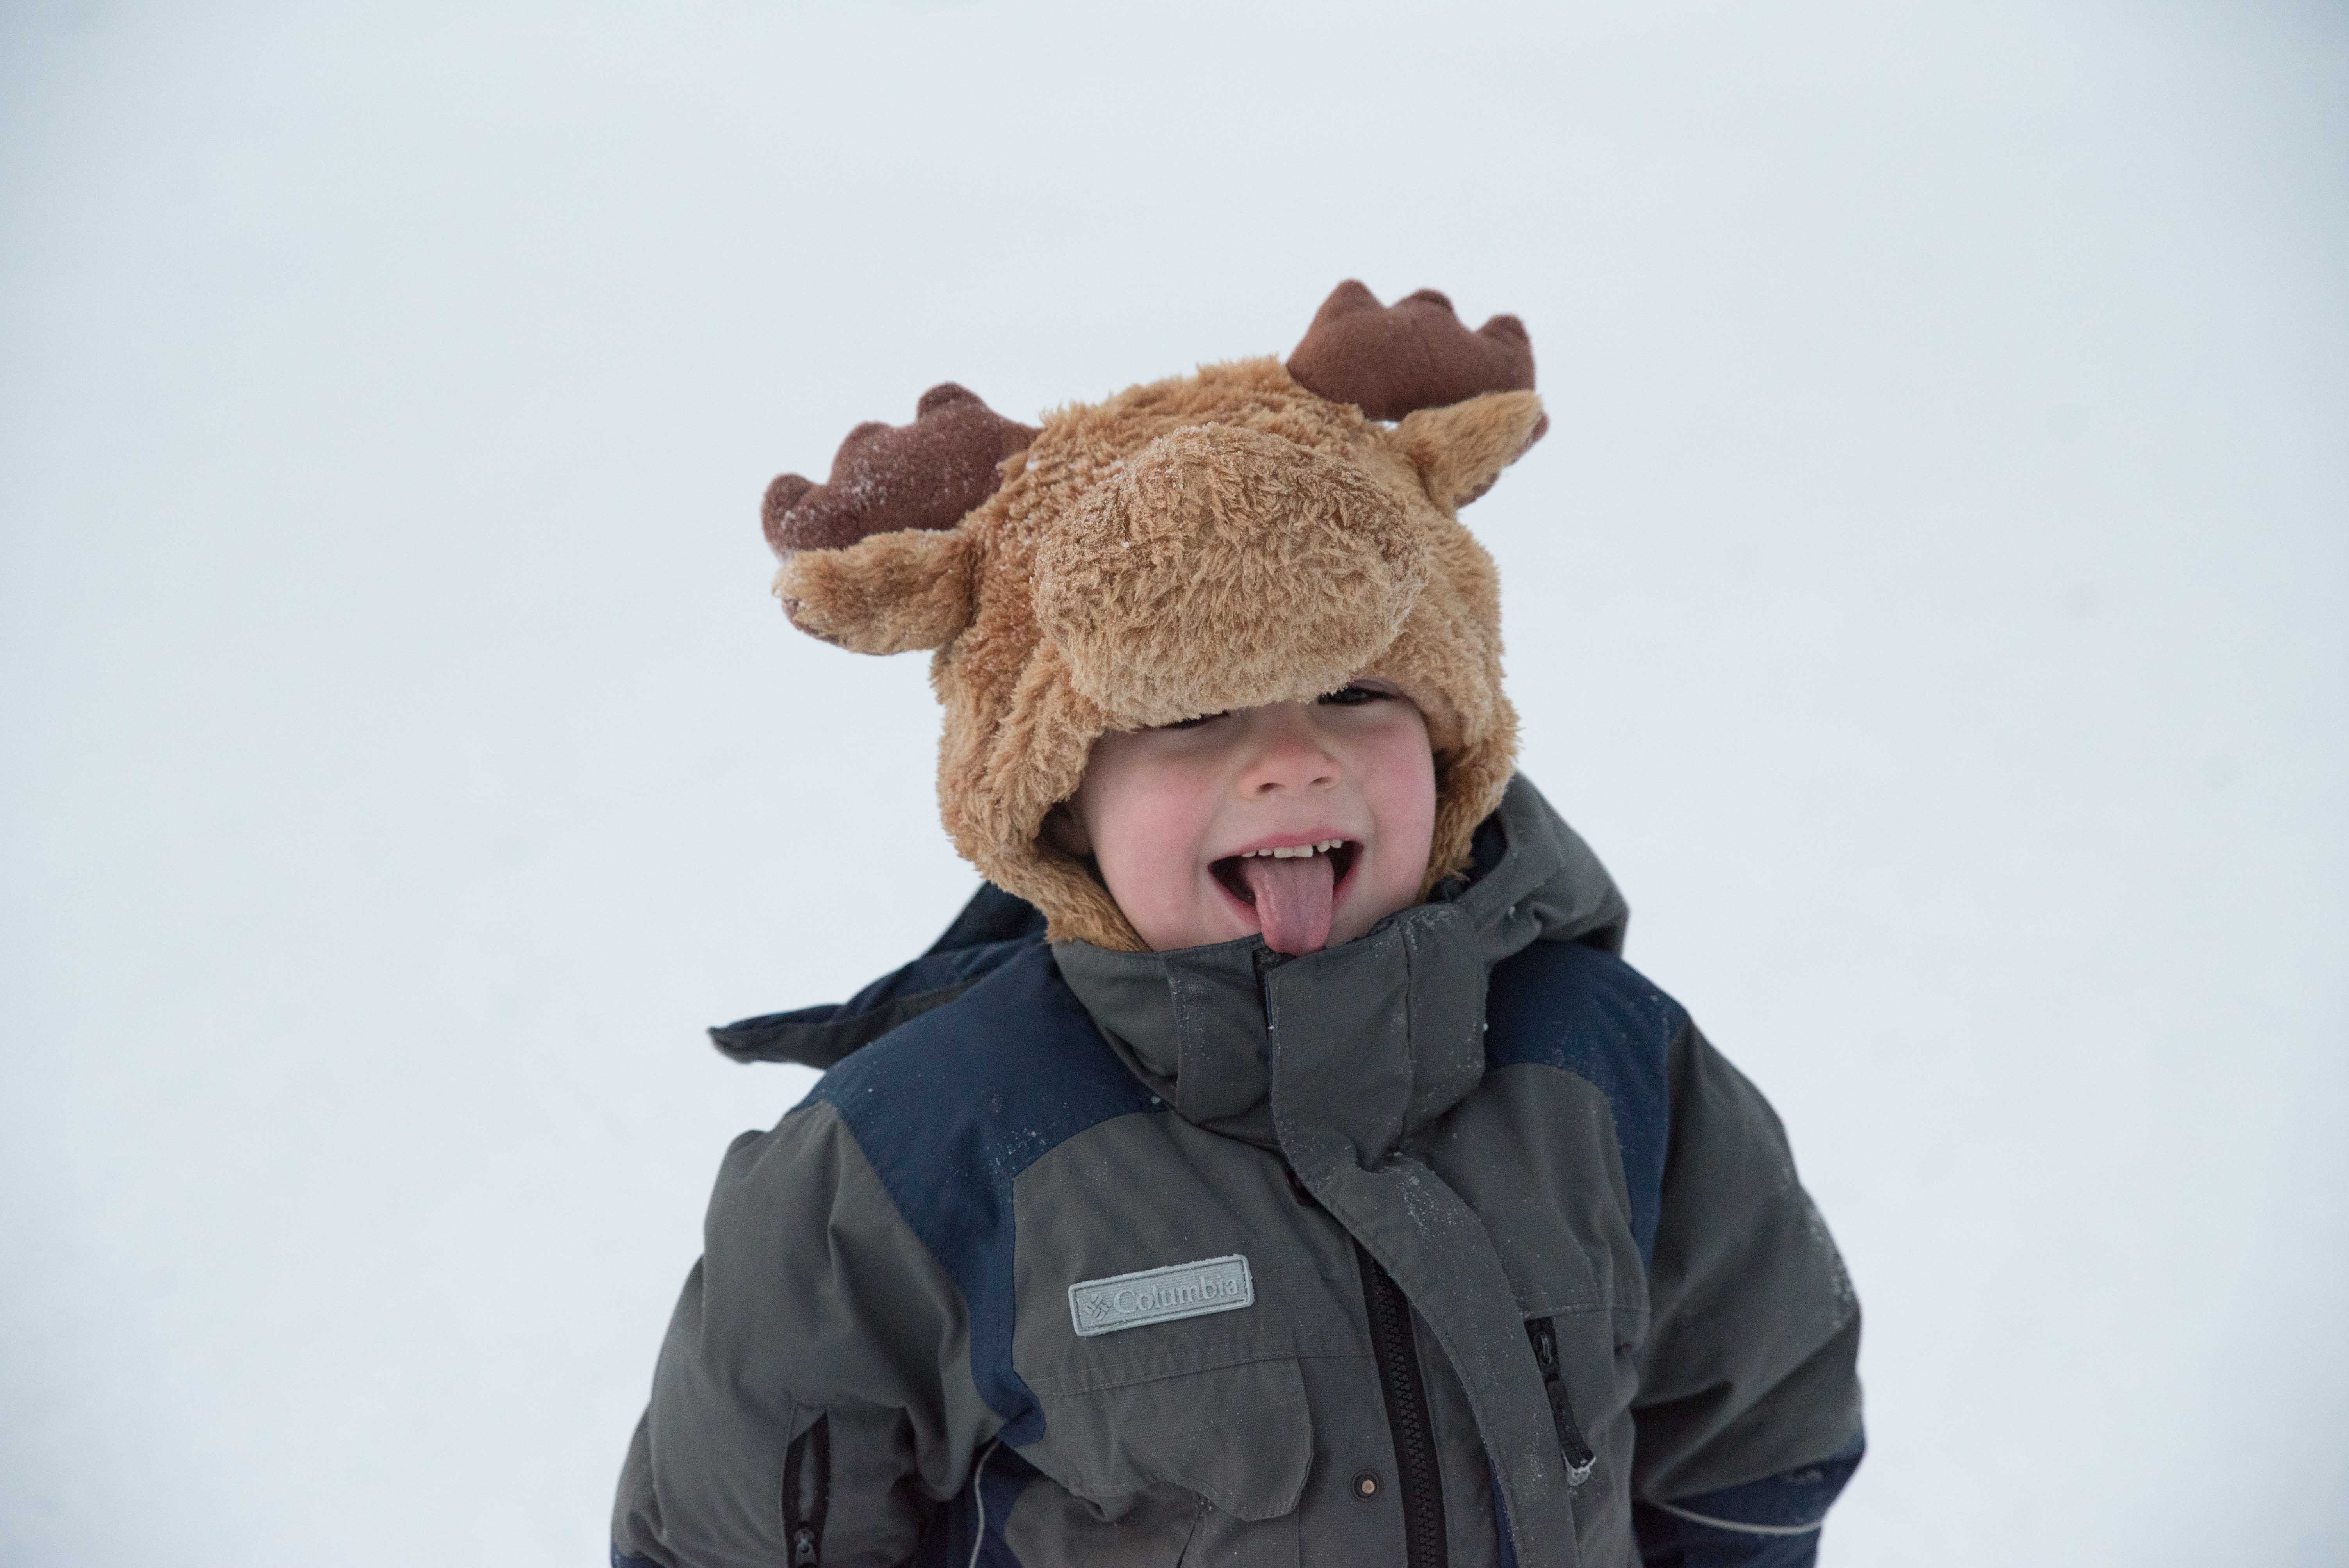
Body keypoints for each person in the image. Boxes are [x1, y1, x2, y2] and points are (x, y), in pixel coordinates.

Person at [611, 282, 1863, 1568]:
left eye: (1355, 690)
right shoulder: (910, 1161)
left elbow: (1756, 1440)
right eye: (1194, 717)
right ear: (1058, 793)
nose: (1292, 762)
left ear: (1452, 738)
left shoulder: (1610, 1068)